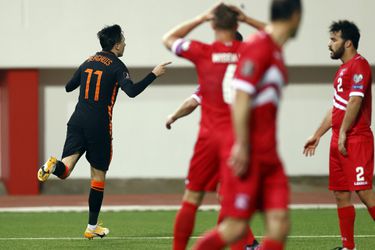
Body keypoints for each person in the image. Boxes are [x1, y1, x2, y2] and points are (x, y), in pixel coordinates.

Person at [37, 24, 170, 239]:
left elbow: (68, 87)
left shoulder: (88, 60)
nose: (125, 43)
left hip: (77, 120)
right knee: (98, 177)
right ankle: (91, 228)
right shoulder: (118, 66)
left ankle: (52, 165)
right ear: (116, 45)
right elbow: (132, 91)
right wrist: (153, 74)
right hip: (98, 125)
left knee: (65, 170)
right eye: (123, 41)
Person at [193, 0, 302, 249]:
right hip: (251, 154)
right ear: (296, 16)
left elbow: (275, 34)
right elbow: (241, 97)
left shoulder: (272, 47)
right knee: (235, 228)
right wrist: (241, 144)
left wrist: (246, 19)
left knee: (280, 224)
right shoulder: (258, 48)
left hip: (270, 156)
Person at [163, 3, 265, 250]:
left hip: (208, 138)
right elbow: (277, 34)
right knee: (231, 201)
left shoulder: (203, 51)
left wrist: (200, 17)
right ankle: (246, 244)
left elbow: (169, 38)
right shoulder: (252, 52)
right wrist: (248, 18)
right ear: (237, 24)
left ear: (213, 24)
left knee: (192, 200)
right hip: (238, 140)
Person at [303, 20, 375, 250]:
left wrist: (343, 132)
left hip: (356, 138)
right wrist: (318, 135)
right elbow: (337, 107)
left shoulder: (360, 66)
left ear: (348, 43)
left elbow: (356, 101)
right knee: (341, 194)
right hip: (339, 138)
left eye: (334, 40)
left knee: (364, 192)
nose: (329, 45)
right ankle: (348, 247)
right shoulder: (342, 70)